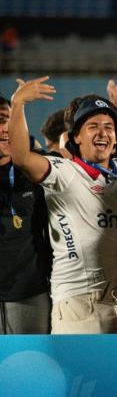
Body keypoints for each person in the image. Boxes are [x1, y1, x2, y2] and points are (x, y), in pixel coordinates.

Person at [7, 78, 117, 342]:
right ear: (76, 138)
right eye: (92, 126)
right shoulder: (62, 172)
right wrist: (19, 103)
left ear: (116, 139)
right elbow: (22, 157)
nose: (102, 133)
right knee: (81, 384)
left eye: (109, 127)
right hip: (77, 305)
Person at [0, 92, 50, 334]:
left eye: (11, 120)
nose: (6, 129)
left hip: (30, 292)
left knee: (29, 367)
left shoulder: (37, 168)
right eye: (0, 120)